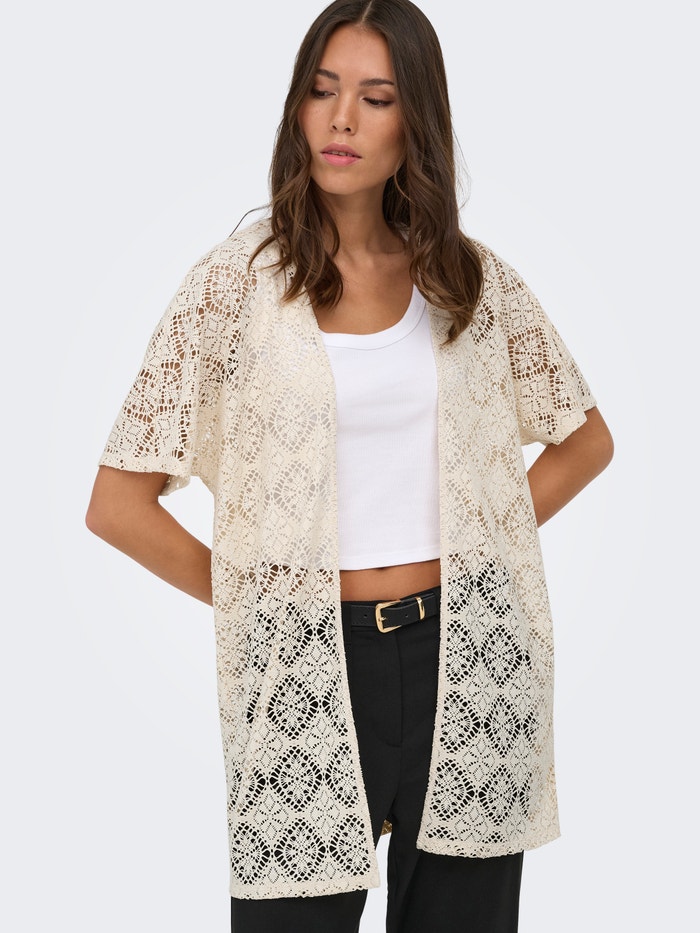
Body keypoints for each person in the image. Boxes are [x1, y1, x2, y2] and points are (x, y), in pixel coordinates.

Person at [86, 0, 614, 930]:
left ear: (416, 121)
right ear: (297, 106)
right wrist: (259, 591)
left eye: (375, 98)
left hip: (468, 656)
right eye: (323, 91)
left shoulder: (468, 281)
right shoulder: (233, 285)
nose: (341, 120)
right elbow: (117, 502)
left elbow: (586, 440)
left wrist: (479, 539)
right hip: (302, 661)